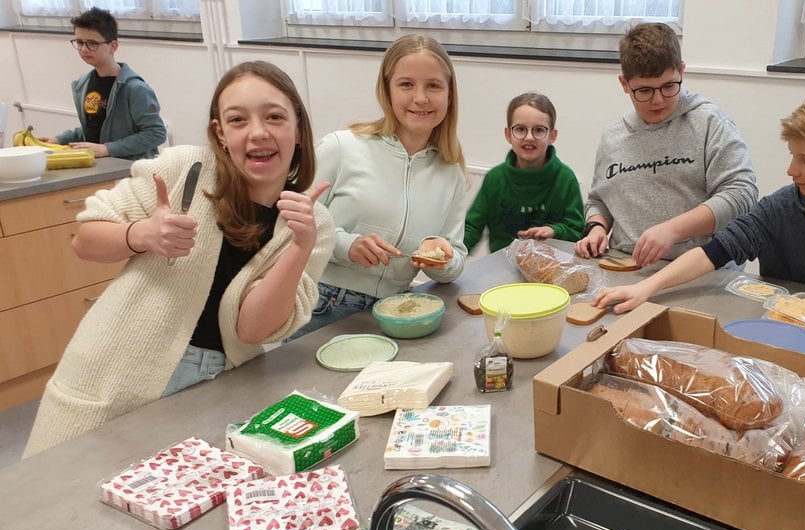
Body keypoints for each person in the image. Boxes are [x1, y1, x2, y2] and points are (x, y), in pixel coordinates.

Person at [24, 61, 335, 457]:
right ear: (221, 133)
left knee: (175, 493)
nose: (258, 132)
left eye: (274, 117)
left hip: (216, 384)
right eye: (238, 120)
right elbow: (84, 240)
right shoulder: (185, 168)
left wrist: (300, 247)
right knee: (61, 487)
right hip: (115, 371)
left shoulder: (312, 222)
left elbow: (252, 330)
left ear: (298, 129)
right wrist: (141, 234)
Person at [593, 89, 805, 322]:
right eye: (793, 156)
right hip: (788, 328)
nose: (792, 170)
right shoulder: (779, 209)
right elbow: (712, 253)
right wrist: (645, 288)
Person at [291, 34, 471, 338]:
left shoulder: (451, 172)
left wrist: (442, 258)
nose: (421, 98)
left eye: (433, 86)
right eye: (406, 84)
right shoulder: (341, 147)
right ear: (386, 90)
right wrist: (347, 246)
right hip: (322, 305)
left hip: (398, 312)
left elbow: (455, 259)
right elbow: (290, 228)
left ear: (449, 95)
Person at [574, 22, 757, 268]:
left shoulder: (710, 123)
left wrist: (673, 230)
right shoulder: (613, 136)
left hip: (698, 270)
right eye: (644, 91)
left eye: (669, 86)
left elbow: (741, 194)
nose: (658, 100)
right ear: (624, 83)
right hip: (625, 267)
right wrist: (596, 228)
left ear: (682, 71)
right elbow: (599, 200)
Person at [463, 91, 583, 253]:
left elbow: (578, 233)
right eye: (520, 129)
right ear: (508, 134)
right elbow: (472, 228)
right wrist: (450, 255)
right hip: (501, 265)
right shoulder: (495, 178)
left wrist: (554, 231)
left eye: (539, 130)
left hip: (552, 266)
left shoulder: (565, 179)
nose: (529, 137)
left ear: (552, 136)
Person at [40, 7, 166, 160]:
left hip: (131, 169)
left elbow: (156, 133)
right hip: (99, 166)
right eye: (79, 42)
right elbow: (94, 129)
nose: (84, 49)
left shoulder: (135, 88)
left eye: (92, 43)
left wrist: (107, 149)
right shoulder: (83, 84)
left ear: (113, 47)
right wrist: (59, 140)